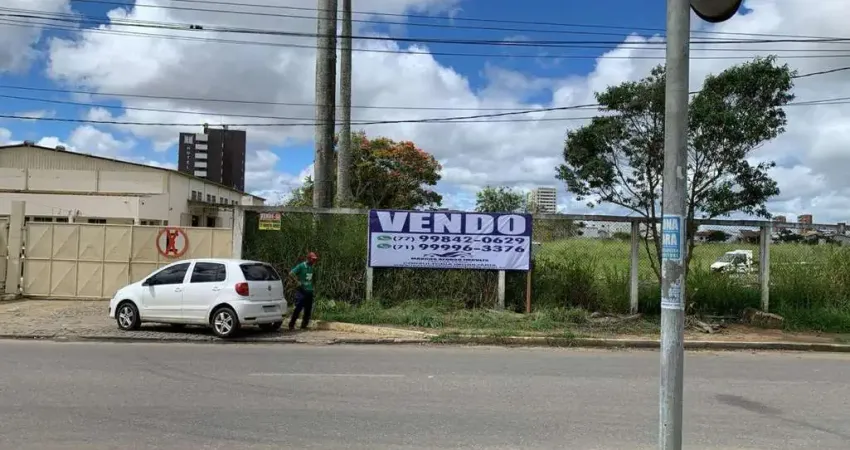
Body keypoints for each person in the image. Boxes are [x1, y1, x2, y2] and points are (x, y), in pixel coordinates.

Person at [288, 252, 318, 331]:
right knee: (298, 308)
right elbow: (291, 273)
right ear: (308, 259)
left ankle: (304, 325)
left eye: (315, 260)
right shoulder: (301, 266)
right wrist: (297, 281)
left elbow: (311, 278)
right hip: (302, 290)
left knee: (308, 309)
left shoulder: (311, 267)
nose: (314, 261)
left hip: (309, 290)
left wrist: (312, 287)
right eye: (312, 259)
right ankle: (291, 324)